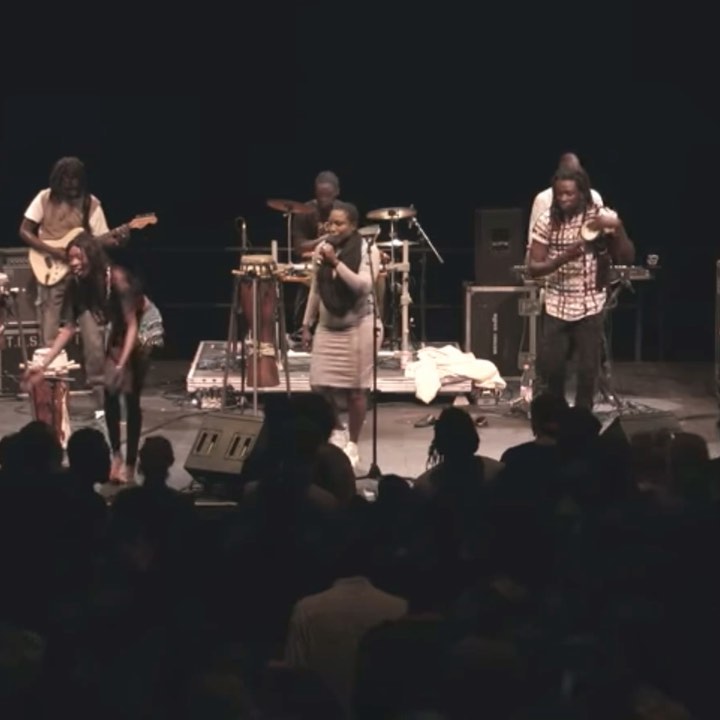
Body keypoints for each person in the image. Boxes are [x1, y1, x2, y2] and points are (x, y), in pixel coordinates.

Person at [23, 232, 154, 484]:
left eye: (77, 257)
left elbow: (132, 324)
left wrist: (122, 363)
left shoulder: (117, 278)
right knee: (110, 393)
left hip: (144, 326)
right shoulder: (77, 284)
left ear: (91, 256)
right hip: (119, 330)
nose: (73, 263)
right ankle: (116, 456)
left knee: (129, 396)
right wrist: (42, 364)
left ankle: (130, 463)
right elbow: (68, 328)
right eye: (70, 258)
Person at [19, 156, 132, 415]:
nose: (71, 184)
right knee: (49, 339)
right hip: (50, 272)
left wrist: (119, 239)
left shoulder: (91, 203)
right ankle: (52, 402)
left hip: (84, 280)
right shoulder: (44, 198)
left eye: (76, 179)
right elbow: (24, 231)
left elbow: (102, 239)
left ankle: (101, 403)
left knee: (93, 340)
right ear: (57, 179)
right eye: (66, 179)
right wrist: (55, 252)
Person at [528, 166, 634, 409]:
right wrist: (563, 258)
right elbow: (534, 268)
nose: (563, 199)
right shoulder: (546, 221)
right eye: (559, 194)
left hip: (590, 306)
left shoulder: (599, 217)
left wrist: (617, 228)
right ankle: (556, 420)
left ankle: (582, 420)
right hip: (556, 306)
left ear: (582, 193)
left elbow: (626, 257)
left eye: (569, 194)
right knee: (552, 371)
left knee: (588, 373)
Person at [301, 201, 382, 470]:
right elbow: (315, 288)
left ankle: (353, 443)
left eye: (339, 223)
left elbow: (363, 286)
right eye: (330, 223)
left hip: (358, 327)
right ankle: (337, 428)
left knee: (356, 392)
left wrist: (335, 263)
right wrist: (306, 324)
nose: (332, 228)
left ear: (353, 226)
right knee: (318, 385)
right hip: (327, 328)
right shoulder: (322, 249)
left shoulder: (368, 250)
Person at [528, 152, 604, 245]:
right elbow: (534, 240)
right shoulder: (543, 202)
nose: (563, 198)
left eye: (569, 194)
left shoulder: (594, 198)